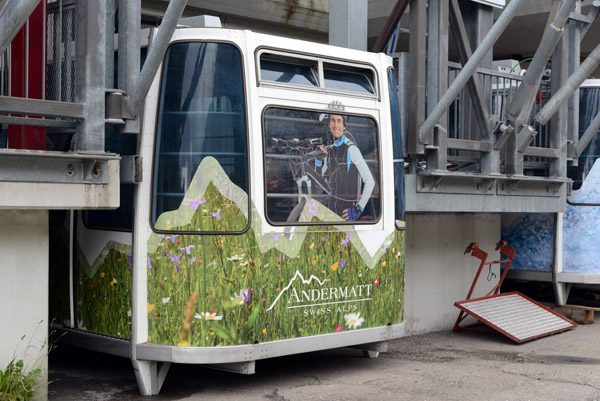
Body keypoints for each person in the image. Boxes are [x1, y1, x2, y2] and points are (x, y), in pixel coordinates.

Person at [319, 113, 375, 221]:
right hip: (331, 212)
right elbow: (324, 179)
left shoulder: (351, 149)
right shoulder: (330, 150)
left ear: (344, 126)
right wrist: (321, 158)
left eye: (339, 121)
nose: (336, 125)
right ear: (329, 124)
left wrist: (358, 209)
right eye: (333, 120)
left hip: (346, 214)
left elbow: (370, 181)